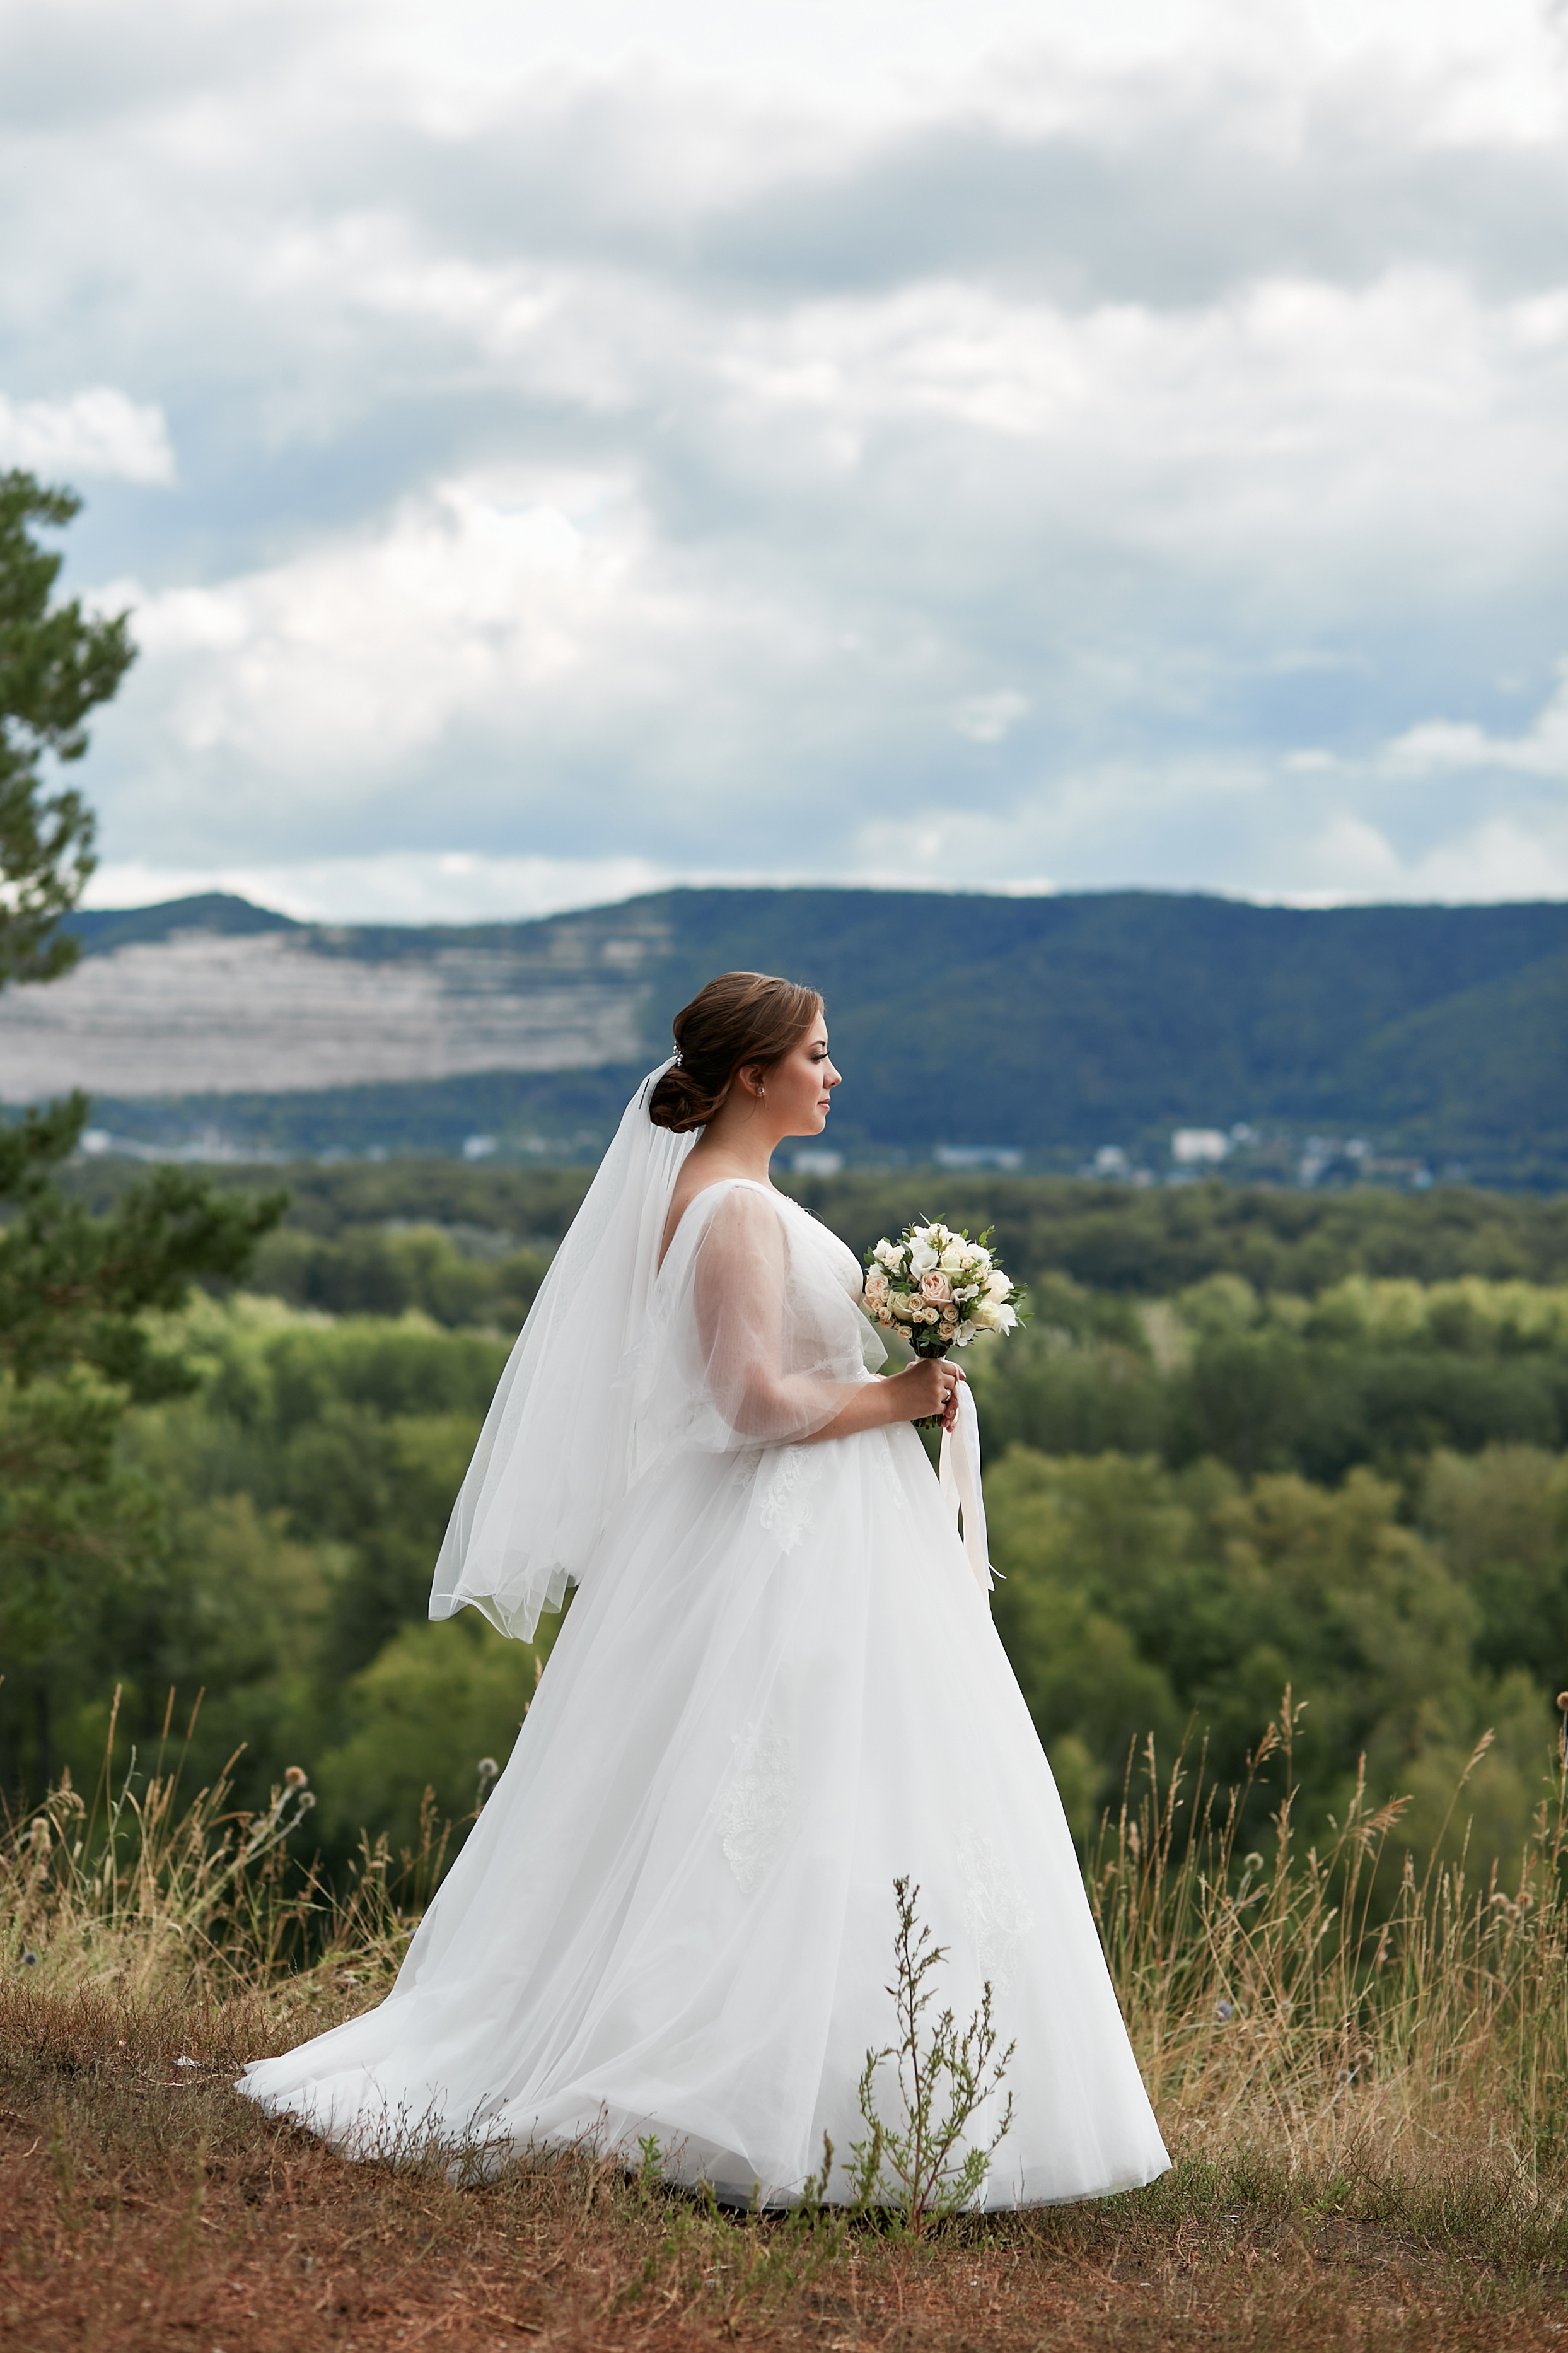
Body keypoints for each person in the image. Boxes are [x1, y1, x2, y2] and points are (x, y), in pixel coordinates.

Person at [238, 972, 1169, 2207]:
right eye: (818, 1056)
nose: (834, 1075)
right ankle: (733, 2092)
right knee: (768, 1795)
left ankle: (852, 2087)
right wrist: (898, 1396)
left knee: (820, 1793)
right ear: (752, 1076)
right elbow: (746, 1405)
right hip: (775, 1540)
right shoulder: (730, 1211)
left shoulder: (736, 1198)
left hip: (810, 1528)